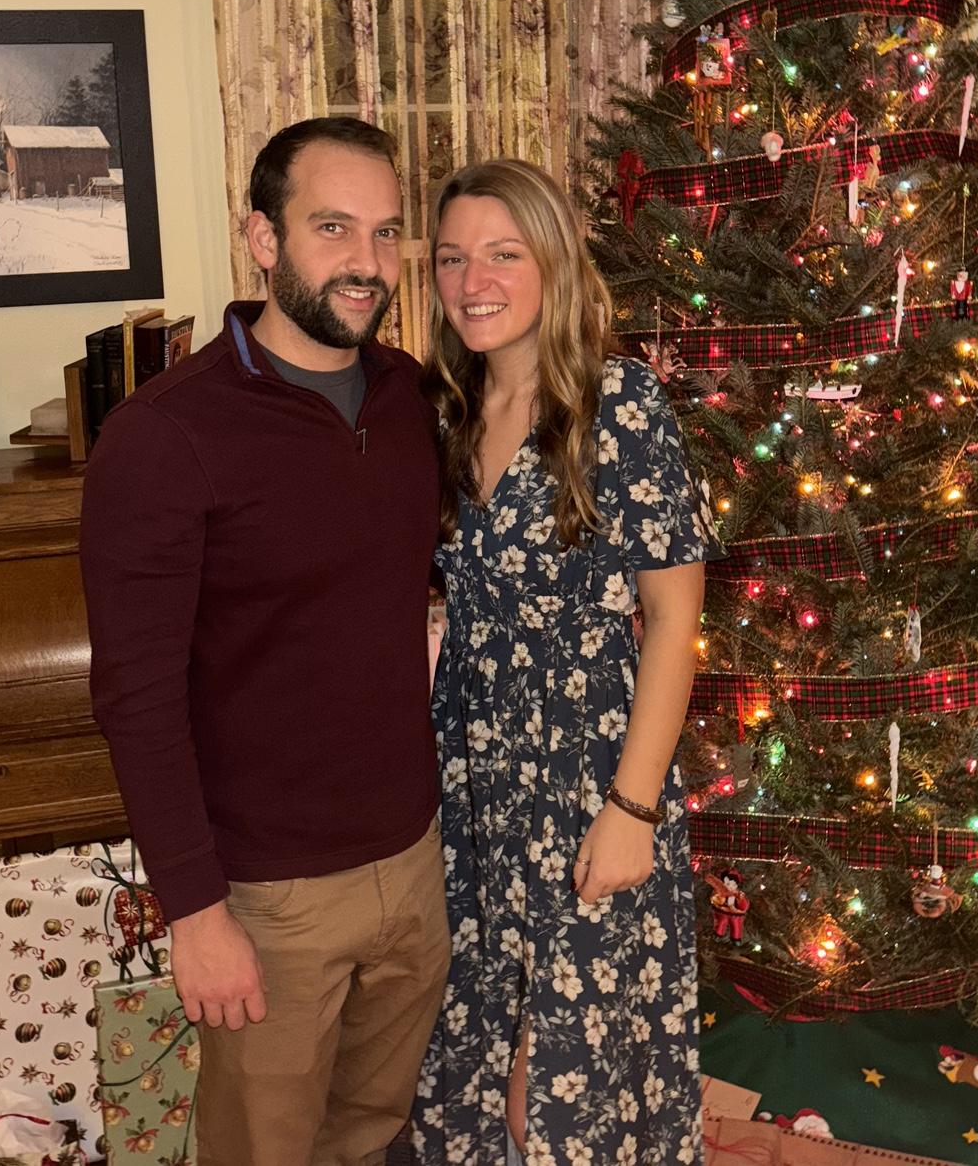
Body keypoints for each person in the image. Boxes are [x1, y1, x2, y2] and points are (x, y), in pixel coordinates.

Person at [79, 117, 449, 1166]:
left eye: (385, 234)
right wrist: (195, 912)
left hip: (415, 859)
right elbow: (137, 696)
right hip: (271, 895)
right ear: (262, 237)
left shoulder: (407, 395)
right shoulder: (164, 436)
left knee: (371, 1137)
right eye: (333, 227)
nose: (367, 263)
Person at [413, 159, 712, 1164]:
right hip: (476, 793)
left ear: (553, 265)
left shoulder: (618, 405)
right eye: (454, 259)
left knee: (559, 1092)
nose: (473, 280)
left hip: (588, 785)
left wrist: (632, 813)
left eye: (504, 254)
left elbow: (675, 620)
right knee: (475, 1067)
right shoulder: (446, 411)